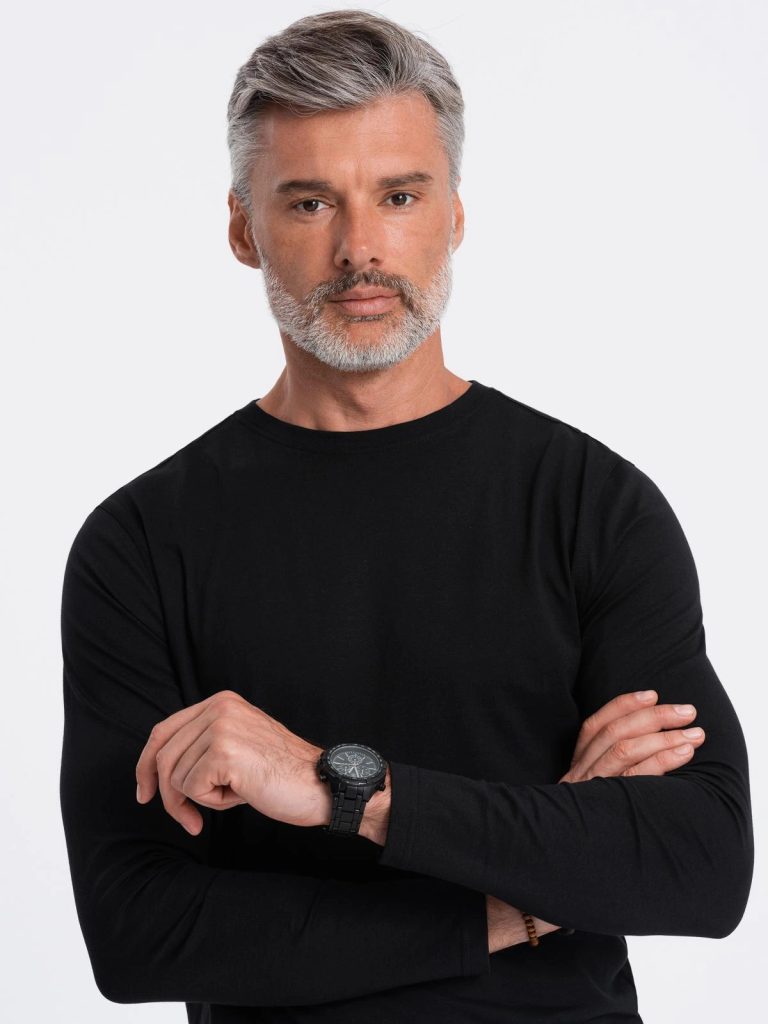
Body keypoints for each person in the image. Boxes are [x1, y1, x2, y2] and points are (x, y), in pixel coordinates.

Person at [59, 9, 753, 1023]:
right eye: (310, 202)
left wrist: (342, 789)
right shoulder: (140, 543)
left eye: (398, 195)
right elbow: (139, 935)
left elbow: (699, 866)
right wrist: (514, 903)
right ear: (244, 229)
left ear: (453, 215)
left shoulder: (593, 505)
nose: (361, 249)